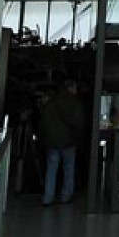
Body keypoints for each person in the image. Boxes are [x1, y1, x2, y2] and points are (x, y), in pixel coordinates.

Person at [38, 77, 83, 205]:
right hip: (69, 141)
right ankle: (66, 196)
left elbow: (44, 121)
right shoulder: (75, 103)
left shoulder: (52, 101)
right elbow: (78, 123)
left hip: (52, 141)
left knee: (51, 169)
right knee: (69, 169)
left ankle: (48, 197)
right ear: (71, 88)